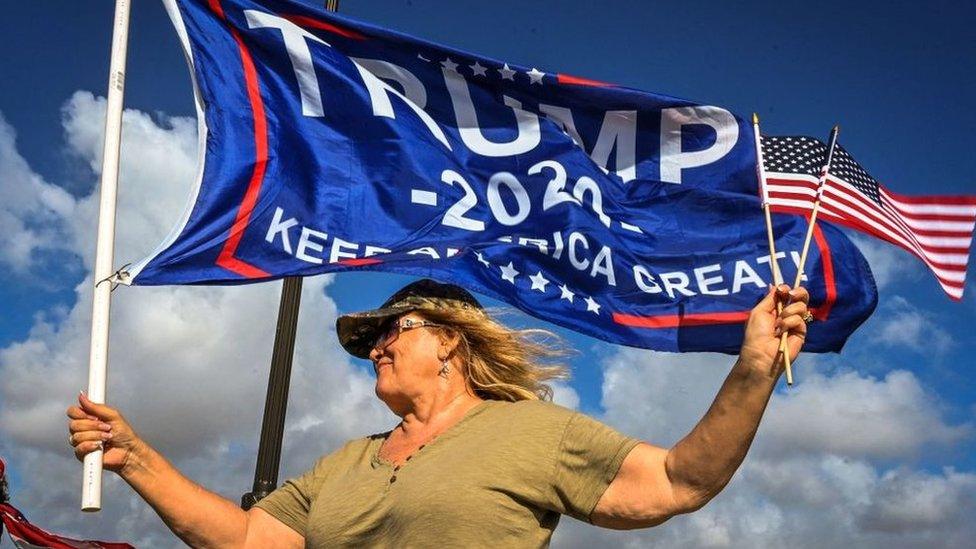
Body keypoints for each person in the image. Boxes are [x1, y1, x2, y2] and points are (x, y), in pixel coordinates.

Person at [67, 278, 811, 548]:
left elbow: (679, 481)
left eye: (394, 329)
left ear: (449, 341)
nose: (376, 348)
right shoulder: (347, 462)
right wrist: (134, 454)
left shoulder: (533, 431)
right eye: (371, 341)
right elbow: (246, 537)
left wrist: (750, 370)